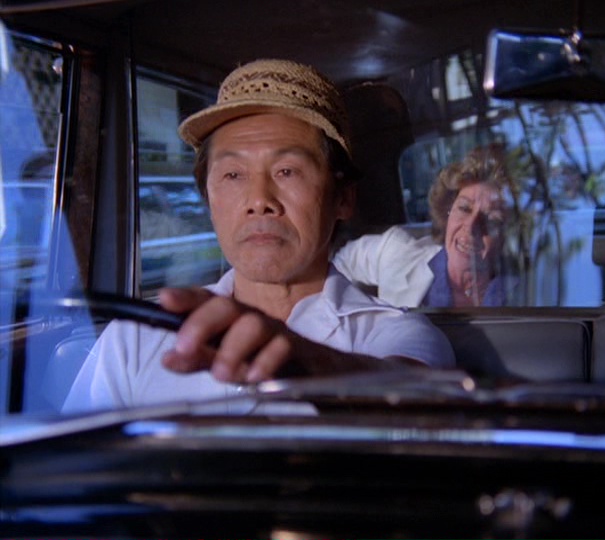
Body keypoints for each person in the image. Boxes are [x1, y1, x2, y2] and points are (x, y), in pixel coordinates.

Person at [62, 59, 455, 413]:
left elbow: (415, 394)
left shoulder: (397, 334)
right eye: (233, 175)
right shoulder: (134, 339)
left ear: (343, 199)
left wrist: (308, 363)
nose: (258, 201)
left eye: (287, 171)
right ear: (208, 200)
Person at [333, 145, 514, 308]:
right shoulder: (397, 252)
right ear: (447, 213)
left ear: (505, 236)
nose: (471, 227)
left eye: (492, 219)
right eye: (464, 208)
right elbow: (340, 263)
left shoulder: (522, 296)